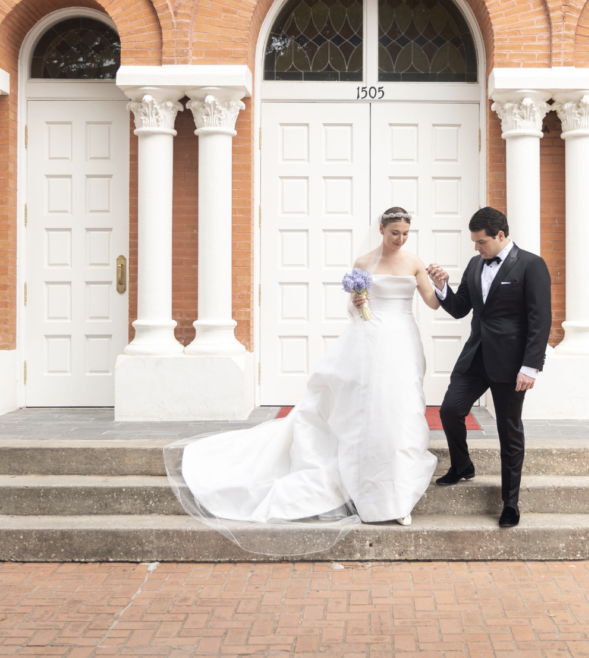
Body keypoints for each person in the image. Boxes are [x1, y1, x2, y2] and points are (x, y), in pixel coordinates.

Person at [165, 207, 440, 555]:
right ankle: (368, 492)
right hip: (370, 340)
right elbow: (354, 310)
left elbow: (432, 303)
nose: (400, 239)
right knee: (368, 411)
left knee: (402, 411)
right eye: (394, 233)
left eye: (405, 234)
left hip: (402, 340)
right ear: (382, 229)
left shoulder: (414, 263)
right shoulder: (363, 262)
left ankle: (398, 497)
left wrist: (442, 284)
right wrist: (358, 302)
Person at [427, 207, 552, 529]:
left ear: (500, 235)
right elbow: (460, 309)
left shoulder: (532, 265)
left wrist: (531, 366)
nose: (476, 247)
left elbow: (540, 320)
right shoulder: (474, 264)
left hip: (512, 364)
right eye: (474, 242)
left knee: (509, 431)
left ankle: (510, 502)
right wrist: (442, 287)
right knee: (450, 411)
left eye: (481, 242)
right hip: (475, 357)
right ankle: (462, 466)